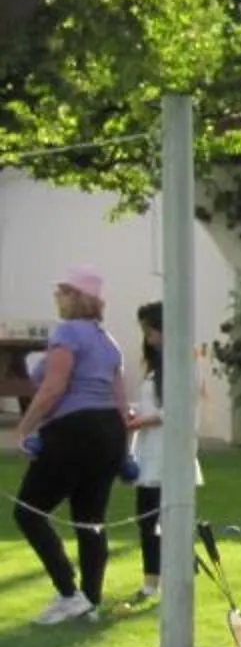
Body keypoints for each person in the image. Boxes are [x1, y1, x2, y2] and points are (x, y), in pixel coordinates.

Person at [15, 267, 131, 624]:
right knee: (90, 520)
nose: (57, 299)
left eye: (62, 293)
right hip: (107, 432)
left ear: (77, 297)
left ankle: (69, 593)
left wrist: (23, 428)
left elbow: (53, 388)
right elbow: (120, 402)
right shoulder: (108, 342)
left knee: (29, 512)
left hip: (74, 430)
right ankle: (90, 602)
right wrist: (124, 452)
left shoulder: (67, 334)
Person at [123, 300, 201, 608]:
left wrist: (142, 420)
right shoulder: (157, 366)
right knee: (148, 518)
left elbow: (177, 408)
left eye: (150, 329)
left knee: (162, 519)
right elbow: (152, 405)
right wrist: (134, 413)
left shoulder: (183, 362)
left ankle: (161, 579)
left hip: (170, 452)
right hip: (151, 452)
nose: (147, 336)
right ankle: (154, 578)